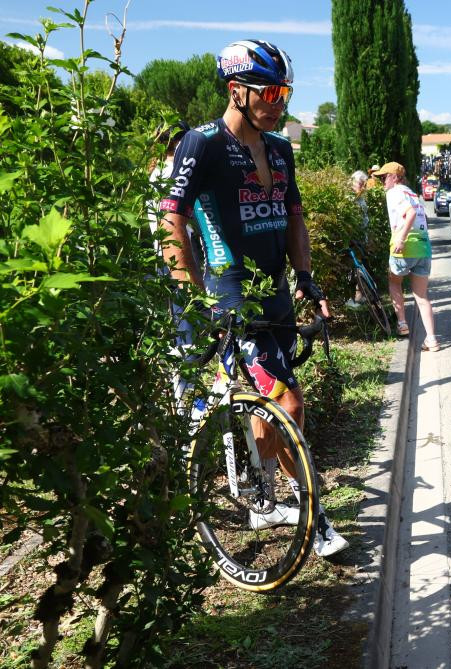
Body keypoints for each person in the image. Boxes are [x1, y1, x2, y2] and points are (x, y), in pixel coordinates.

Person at [158, 39, 347, 556]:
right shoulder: (203, 143)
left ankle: (263, 501)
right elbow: (171, 216)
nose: (280, 101)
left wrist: (306, 276)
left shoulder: (282, 147)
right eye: (270, 91)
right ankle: (314, 514)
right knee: (288, 401)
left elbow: (295, 217)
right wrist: (194, 296)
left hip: (278, 294)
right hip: (232, 295)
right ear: (236, 90)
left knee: (269, 406)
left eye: (285, 91)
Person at [376, 161, 441, 351]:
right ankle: (432, 339)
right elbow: (420, 215)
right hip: (423, 246)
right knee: (421, 296)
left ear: (395, 177)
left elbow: (410, 213)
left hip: (404, 246)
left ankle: (402, 323)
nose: (382, 181)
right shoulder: (412, 193)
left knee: (394, 281)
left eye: (384, 177)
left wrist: (401, 238)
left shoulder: (394, 192)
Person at [345, 169, 370, 309]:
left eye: (363, 183)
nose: (362, 186)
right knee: (354, 268)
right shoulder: (350, 198)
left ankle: (360, 296)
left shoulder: (360, 198)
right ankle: (357, 296)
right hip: (354, 238)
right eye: (360, 183)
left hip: (360, 238)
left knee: (359, 267)